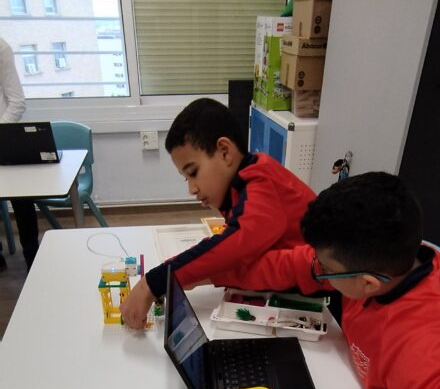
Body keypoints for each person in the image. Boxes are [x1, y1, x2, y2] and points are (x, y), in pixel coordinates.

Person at [206, 171, 440, 389]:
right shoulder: (385, 263)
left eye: (325, 268)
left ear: (367, 284)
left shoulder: (426, 349)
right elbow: (293, 264)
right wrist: (204, 274)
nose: (317, 271)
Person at [119, 97, 316, 329]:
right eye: (186, 178)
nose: (192, 189)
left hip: (330, 296)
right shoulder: (242, 185)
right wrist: (193, 272)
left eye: (193, 172)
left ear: (224, 151)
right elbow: (241, 252)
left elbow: (236, 246)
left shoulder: (261, 181)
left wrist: (154, 282)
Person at [0, 36, 40, 271]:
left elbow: (17, 102)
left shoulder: (1, 48)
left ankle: (33, 259)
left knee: (22, 200)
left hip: (4, 138)